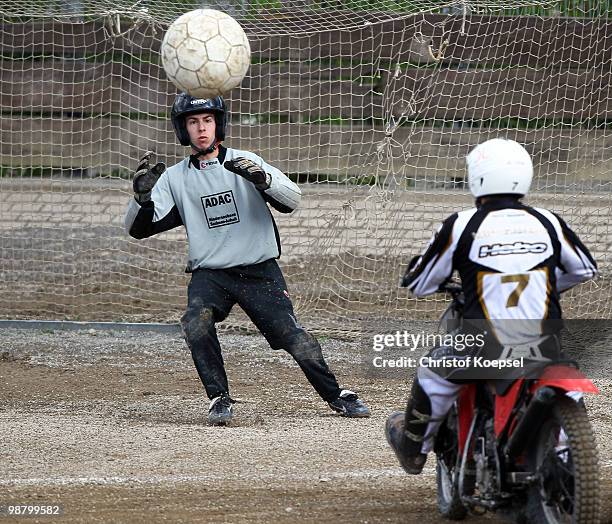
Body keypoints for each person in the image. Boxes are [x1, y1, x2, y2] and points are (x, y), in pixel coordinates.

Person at [124, 93, 370, 425]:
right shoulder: (175, 177)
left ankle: (336, 395)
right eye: (193, 122)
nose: (201, 129)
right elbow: (138, 230)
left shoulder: (245, 160)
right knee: (196, 321)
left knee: (292, 337)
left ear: (219, 124)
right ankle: (219, 399)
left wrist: (262, 180)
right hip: (210, 274)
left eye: (208, 121)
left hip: (258, 271)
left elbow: (293, 199)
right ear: (183, 129)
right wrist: (141, 198)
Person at [385, 138, 597, 474]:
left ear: (476, 177)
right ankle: (567, 458)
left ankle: (414, 448)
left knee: (433, 372)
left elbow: (420, 283)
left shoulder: (462, 223)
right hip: (545, 343)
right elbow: (585, 269)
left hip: (485, 344)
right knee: (567, 389)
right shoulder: (548, 220)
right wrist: (546, 284)